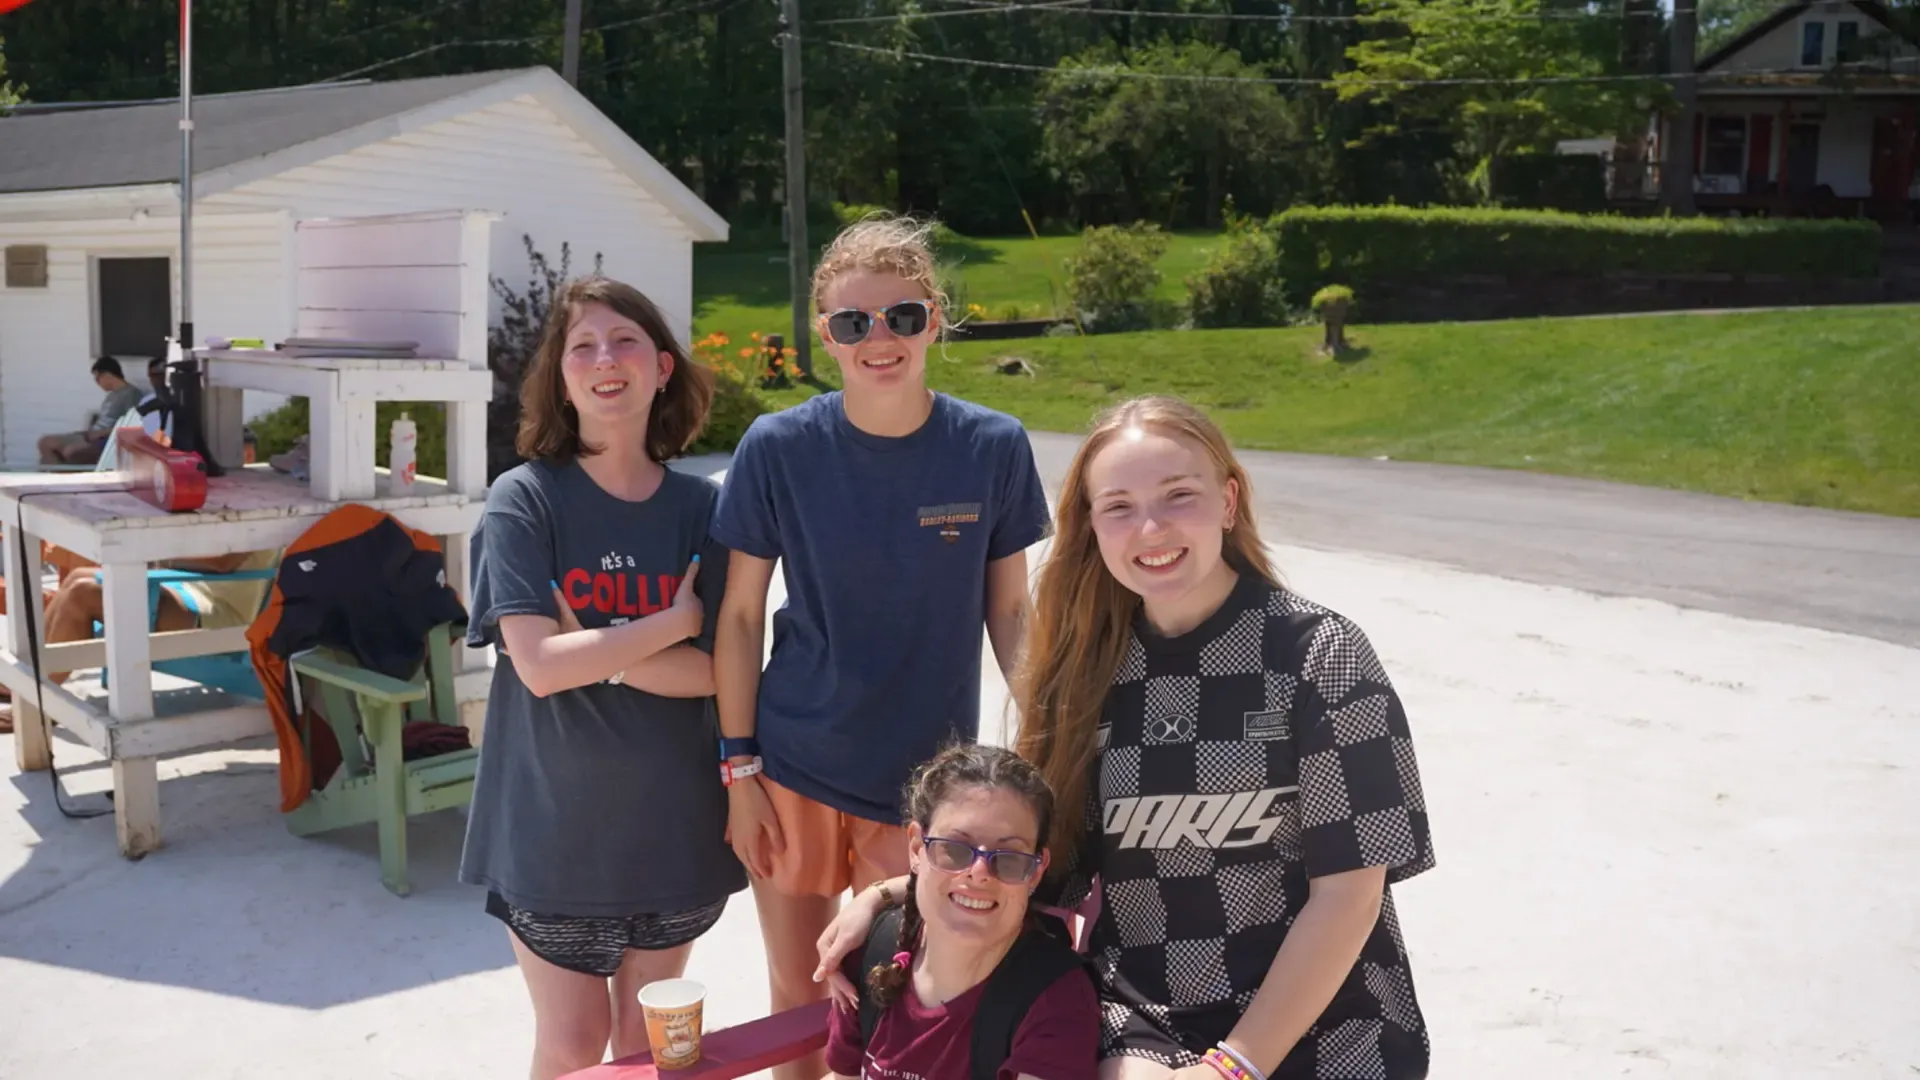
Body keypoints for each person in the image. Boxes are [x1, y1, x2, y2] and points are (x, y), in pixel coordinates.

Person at [817, 396, 1438, 1080]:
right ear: (1091, 526)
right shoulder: (1085, 673)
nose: (1150, 527)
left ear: (1228, 502)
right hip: (1148, 1021)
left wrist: (1234, 1067)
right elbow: (1035, 862)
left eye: (1179, 496)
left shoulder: (1319, 654)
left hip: (1330, 1025)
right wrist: (886, 897)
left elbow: (1350, 894)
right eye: (1118, 505)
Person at [711, 214, 1053, 1080]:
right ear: (825, 335)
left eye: (900, 316)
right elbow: (742, 619)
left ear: (934, 319)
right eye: (852, 322)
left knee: (890, 996)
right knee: (798, 990)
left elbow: (1010, 614)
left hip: (924, 787)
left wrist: (1044, 738)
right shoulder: (777, 448)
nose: (879, 339)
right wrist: (739, 773)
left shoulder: (992, 448)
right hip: (792, 766)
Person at [458, 276, 744, 1080]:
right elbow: (540, 669)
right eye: (581, 346)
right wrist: (669, 625)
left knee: (653, 1052)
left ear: (660, 368)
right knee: (574, 1046)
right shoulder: (525, 501)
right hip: (553, 838)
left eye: (623, 342)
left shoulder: (705, 510)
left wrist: (599, 648)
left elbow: (718, 676)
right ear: (560, 377)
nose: (602, 359)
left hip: (675, 831)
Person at [826, 742, 1099, 1080]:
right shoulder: (872, 952)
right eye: (954, 850)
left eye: (1009, 858)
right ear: (915, 847)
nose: (979, 872)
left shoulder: (1056, 1002)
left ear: (1037, 869)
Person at [38, 357, 144, 465]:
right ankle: (54, 476)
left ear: (107, 375)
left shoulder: (132, 395)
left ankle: (61, 475)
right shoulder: (112, 395)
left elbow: (131, 426)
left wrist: (101, 433)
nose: (97, 383)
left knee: (70, 451)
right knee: (45, 443)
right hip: (90, 436)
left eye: (97, 378)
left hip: (105, 441)